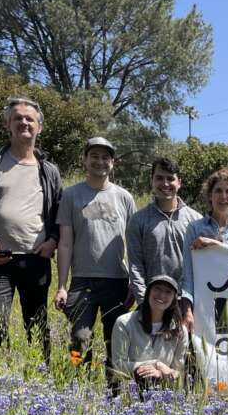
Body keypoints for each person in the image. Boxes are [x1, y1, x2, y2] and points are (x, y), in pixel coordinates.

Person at [0, 96, 61, 360]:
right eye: (17, 118)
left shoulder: (49, 170)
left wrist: (52, 241)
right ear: (7, 123)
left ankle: (41, 379)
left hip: (36, 259)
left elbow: (61, 214)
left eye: (30, 119)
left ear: (40, 127)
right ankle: (0, 384)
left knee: (37, 328)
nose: (24, 122)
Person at [53, 137, 136, 387]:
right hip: (82, 282)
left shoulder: (124, 198)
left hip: (117, 282)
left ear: (112, 163)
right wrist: (62, 285)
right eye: (94, 156)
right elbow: (65, 243)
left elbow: (133, 244)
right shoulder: (71, 195)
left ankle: (114, 392)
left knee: (115, 341)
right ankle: (81, 389)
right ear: (85, 160)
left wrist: (134, 281)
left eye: (105, 157)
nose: (100, 161)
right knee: (79, 339)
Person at [181, 166, 228, 332]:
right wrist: (187, 311)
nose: (223, 197)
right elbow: (188, 275)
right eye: (218, 191)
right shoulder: (194, 229)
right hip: (204, 307)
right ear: (210, 195)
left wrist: (216, 245)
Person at [126, 156, 201, 311]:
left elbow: (202, 266)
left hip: (187, 305)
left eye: (170, 179)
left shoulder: (196, 220)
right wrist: (143, 303)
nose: (165, 184)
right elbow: (136, 266)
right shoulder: (138, 220)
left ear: (179, 182)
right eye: (159, 178)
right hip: (152, 303)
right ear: (151, 180)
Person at [111, 275, 187, 390]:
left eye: (168, 292)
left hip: (165, 392)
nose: (162, 295)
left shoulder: (180, 330)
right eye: (157, 289)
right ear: (148, 292)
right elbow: (119, 365)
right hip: (130, 388)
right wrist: (156, 364)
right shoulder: (124, 323)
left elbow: (178, 371)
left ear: (173, 299)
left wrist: (161, 374)